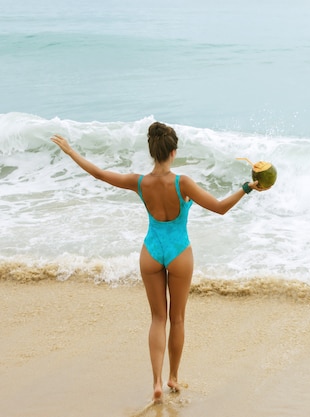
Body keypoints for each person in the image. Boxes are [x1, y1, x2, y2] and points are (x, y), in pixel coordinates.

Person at [51, 121, 269, 402]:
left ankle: (155, 382)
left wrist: (71, 151)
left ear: (153, 152)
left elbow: (99, 174)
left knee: (157, 318)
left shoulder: (140, 182)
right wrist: (247, 187)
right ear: (173, 152)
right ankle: (173, 378)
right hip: (179, 252)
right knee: (177, 319)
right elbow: (219, 208)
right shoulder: (183, 183)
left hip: (151, 251)